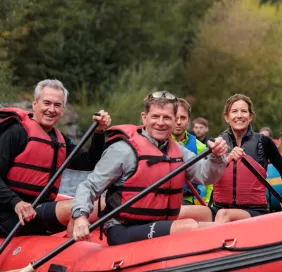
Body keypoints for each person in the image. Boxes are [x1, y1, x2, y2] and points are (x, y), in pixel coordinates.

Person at [71, 91, 228, 245]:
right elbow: (89, 186)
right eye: (155, 116)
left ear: (174, 121)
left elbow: (206, 176)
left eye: (167, 117)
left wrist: (217, 157)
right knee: (188, 226)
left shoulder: (178, 150)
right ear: (144, 118)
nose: (160, 122)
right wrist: (80, 217)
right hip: (122, 228)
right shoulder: (123, 150)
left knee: (217, 228)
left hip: (159, 225)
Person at [0, 79, 111, 237]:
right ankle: (74, 254)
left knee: (103, 203)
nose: (51, 109)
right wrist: (16, 203)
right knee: (75, 207)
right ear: (34, 104)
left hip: (37, 211)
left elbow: (88, 162)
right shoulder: (16, 132)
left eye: (57, 105)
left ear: (62, 110)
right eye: (46, 103)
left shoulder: (59, 140)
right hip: (9, 214)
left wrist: (99, 133)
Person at [185, 94, 282, 224]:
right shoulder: (218, 142)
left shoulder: (263, 142)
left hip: (254, 211)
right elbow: (207, 173)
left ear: (250, 117)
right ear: (227, 117)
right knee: (183, 212)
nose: (239, 115)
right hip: (219, 207)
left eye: (244, 111)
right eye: (234, 111)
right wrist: (227, 159)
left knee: (223, 214)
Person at [171, 98, 213, 205]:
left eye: (183, 118)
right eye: (175, 118)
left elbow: (209, 180)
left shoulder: (201, 148)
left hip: (191, 202)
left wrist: (207, 202)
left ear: (189, 121)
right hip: (165, 200)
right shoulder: (158, 143)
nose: (178, 122)